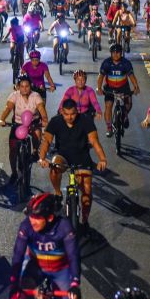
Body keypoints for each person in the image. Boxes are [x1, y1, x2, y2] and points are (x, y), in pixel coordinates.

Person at [39, 99, 107, 232]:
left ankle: (85, 219)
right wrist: (42, 158)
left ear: (77, 112)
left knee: (86, 191)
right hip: (63, 156)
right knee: (54, 168)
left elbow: (94, 141)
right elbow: (47, 140)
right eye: (66, 114)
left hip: (82, 157)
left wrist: (102, 159)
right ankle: (58, 193)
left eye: (73, 114)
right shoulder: (55, 121)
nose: (70, 117)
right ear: (61, 112)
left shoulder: (86, 120)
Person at [0, 76, 49, 185]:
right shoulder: (14, 96)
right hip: (17, 124)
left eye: (27, 86)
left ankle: (35, 150)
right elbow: (8, 109)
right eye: (22, 86)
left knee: (37, 134)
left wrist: (44, 120)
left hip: (33, 123)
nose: (24, 89)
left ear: (30, 86)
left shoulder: (36, 96)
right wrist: (2, 119)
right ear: (18, 87)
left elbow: (41, 110)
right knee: (13, 150)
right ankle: (14, 173)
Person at [97, 43, 140, 138]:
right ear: (111, 53)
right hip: (109, 88)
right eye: (113, 52)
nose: (116, 54)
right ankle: (109, 128)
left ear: (121, 53)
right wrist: (99, 88)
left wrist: (136, 87)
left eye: (118, 52)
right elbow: (101, 76)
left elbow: (131, 76)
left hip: (123, 87)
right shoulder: (106, 63)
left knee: (128, 103)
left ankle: (124, 114)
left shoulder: (126, 63)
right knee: (108, 106)